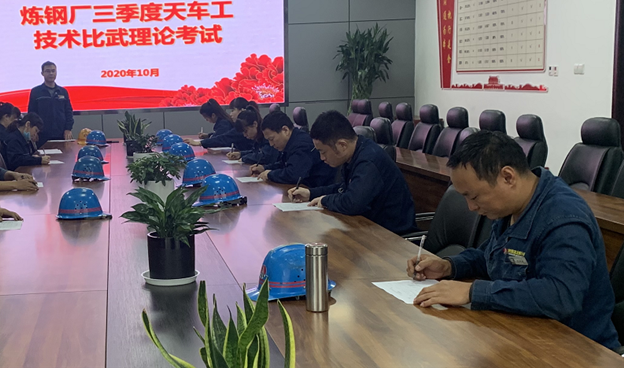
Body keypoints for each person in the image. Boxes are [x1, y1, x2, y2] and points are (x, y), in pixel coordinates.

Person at [407, 131, 620, 350]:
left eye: (474, 196)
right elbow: (495, 256)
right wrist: (449, 266)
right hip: (525, 335)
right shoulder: (514, 206)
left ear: (508, 177)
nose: (471, 207)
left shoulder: (564, 218)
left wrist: (472, 292)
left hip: (577, 349)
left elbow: (561, 295)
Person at [288, 111, 417, 235]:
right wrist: (311, 193)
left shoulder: (369, 160)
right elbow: (343, 189)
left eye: (323, 152)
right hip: (370, 229)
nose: (322, 158)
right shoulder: (355, 152)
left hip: (393, 238)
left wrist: (325, 200)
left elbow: (353, 203)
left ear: (342, 145)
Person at [249, 110, 335, 187]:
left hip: (316, 190)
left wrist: (270, 174)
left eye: (272, 139)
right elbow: (285, 164)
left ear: (285, 130)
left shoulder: (302, 144)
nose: (271, 144)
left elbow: (293, 175)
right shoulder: (292, 141)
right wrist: (265, 168)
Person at [27, 61, 74, 147]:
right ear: (42, 73)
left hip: (61, 134)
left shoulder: (63, 92)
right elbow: (32, 114)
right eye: (48, 71)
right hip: (42, 135)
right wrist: (33, 131)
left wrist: (68, 129)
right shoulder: (36, 92)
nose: (51, 73)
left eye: (53, 71)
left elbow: (68, 112)